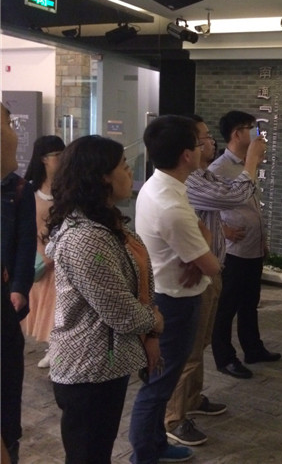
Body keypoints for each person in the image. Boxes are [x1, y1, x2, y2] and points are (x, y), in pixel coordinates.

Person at [45, 135, 164, 464]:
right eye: (123, 166)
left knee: (98, 450)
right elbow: (120, 312)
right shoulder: (85, 238)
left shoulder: (105, 223)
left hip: (105, 364)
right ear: (102, 178)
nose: (130, 172)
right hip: (88, 369)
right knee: (88, 455)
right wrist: (154, 321)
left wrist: (150, 331)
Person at [164, 114, 264, 446]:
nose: (210, 142)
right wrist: (252, 161)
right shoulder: (190, 181)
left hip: (209, 271)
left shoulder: (201, 174)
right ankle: (174, 417)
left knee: (199, 345)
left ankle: (192, 400)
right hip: (191, 277)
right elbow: (234, 197)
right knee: (187, 351)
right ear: (187, 148)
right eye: (203, 138)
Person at [129, 115, 221, 463]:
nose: (204, 148)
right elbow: (212, 265)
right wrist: (200, 253)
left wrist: (198, 250)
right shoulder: (169, 204)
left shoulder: (162, 186)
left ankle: (155, 444)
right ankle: (144, 454)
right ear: (186, 154)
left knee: (162, 380)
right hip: (174, 303)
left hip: (167, 294)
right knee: (159, 384)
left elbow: (201, 237)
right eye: (199, 143)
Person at [209, 110, 280, 380]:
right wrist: (223, 230)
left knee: (250, 302)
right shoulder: (218, 169)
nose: (257, 134)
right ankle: (225, 358)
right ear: (237, 133)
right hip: (233, 251)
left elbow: (251, 205)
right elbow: (204, 208)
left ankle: (253, 348)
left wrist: (262, 239)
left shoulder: (246, 165)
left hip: (252, 247)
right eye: (252, 128)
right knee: (226, 307)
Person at [1, 102, 36, 464]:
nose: (15, 133)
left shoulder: (19, 189)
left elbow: (26, 245)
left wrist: (19, 287)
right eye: (8, 125)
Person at [22, 135, 66, 368]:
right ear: (43, 159)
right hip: (39, 259)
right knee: (45, 307)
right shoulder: (29, 191)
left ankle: (57, 351)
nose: (62, 159)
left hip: (60, 259)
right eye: (57, 155)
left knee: (58, 307)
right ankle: (53, 348)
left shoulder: (68, 189)